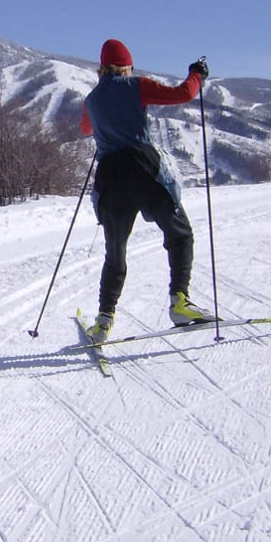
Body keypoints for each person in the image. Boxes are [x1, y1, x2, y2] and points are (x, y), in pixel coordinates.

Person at [79, 39, 213, 344]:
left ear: (101, 68)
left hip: (110, 177)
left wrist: (105, 125)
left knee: (115, 253)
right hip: (143, 169)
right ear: (127, 65)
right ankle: (180, 301)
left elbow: (85, 129)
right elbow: (185, 93)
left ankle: (103, 320)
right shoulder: (135, 85)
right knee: (179, 233)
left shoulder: (92, 100)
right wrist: (197, 74)